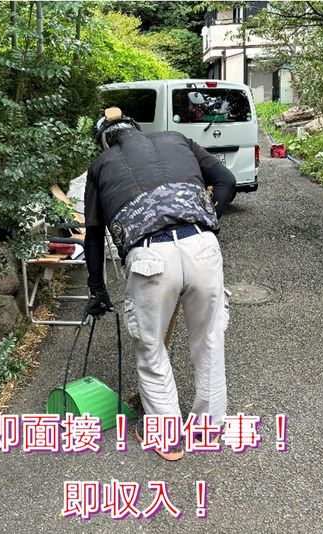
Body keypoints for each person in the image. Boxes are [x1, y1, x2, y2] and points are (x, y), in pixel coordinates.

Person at [83, 107, 236, 461]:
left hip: (151, 257)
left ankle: (168, 438)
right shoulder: (178, 139)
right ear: (136, 128)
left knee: (151, 348)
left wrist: (97, 289)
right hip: (203, 246)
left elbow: (93, 236)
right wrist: (207, 219)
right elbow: (226, 182)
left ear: (105, 141)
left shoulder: (101, 165)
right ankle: (209, 427)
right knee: (209, 339)